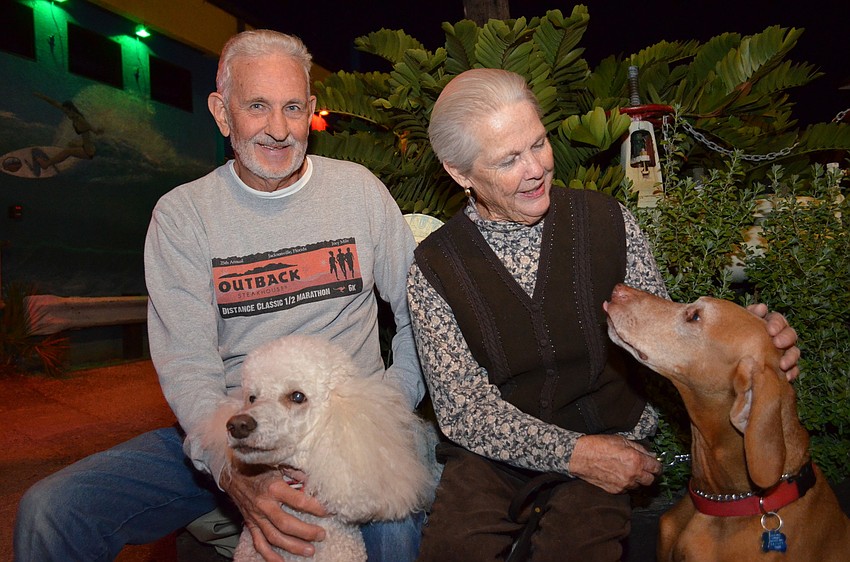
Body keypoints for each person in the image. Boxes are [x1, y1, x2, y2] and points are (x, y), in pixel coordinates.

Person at [14, 30, 425, 562]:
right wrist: (231, 469)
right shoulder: (183, 216)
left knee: (392, 535)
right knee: (51, 511)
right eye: (257, 107)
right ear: (222, 112)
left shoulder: (359, 192)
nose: (278, 130)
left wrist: (383, 412)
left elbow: (423, 316)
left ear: (312, 112)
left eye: (292, 108)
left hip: (343, 428)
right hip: (232, 422)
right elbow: (188, 364)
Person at [407, 68, 800, 561]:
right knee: (452, 550)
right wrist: (574, 455)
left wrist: (750, 345)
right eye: (508, 159)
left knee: (577, 549)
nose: (535, 168)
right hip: (493, 459)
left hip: (611, 438)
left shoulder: (607, 222)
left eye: (539, 143)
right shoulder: (436, 266)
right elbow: (464, 410)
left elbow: (665, 345)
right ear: (459, 172)